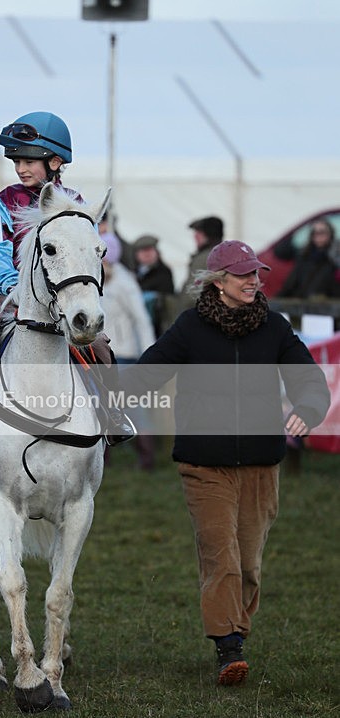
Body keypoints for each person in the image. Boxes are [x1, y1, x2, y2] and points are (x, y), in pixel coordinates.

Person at [120, 240, 330, 685]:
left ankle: (236, 631)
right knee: (222, 558)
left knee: (249, 564)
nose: (253, 281)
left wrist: (309, 408)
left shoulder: (274, 327)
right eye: (243, 274)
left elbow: (308, 378)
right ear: (218, 281)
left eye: (256, 273)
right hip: (204, 465)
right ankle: (228, 646)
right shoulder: (190, 327)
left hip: (260, 465)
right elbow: (148, 372)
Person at [0, 111, 135, 452]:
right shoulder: (4, 201)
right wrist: (14, 286)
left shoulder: (77, 205)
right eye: (16, 162)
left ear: (55, 162)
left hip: (62, 302)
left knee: (100, 346)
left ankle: (113, 414)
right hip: (9, 298)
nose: (21, 169)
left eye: (29, 161)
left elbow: (85, 253)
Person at [100, 231, 157, 469]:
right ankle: (102, 460)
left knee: (133, 408)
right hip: (100, 355)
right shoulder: (97, 279)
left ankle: (147, 459)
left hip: (123, 355)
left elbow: (141, 319)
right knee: (101, 407)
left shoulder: (124, 282)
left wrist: (150, 356)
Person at [277, 218, 340, 298]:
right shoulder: (304, 256)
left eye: (322, 232)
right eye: (314, 233)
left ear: (330, 234)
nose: (317, 236)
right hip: (301, 302)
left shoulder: (335, 260)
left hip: (325, 303)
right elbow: (290, 285)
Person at [131, 234, 175, 336]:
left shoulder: (164, 272)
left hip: (158, 326)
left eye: (150, 250)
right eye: (143, 251)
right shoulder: (133, 273)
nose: (147, 254)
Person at [184, 215, 224, 287]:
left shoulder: (204, 258)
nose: (195, 236)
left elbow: (192, 290)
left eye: (199, 232)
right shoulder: (228, 255)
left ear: (209, 235)